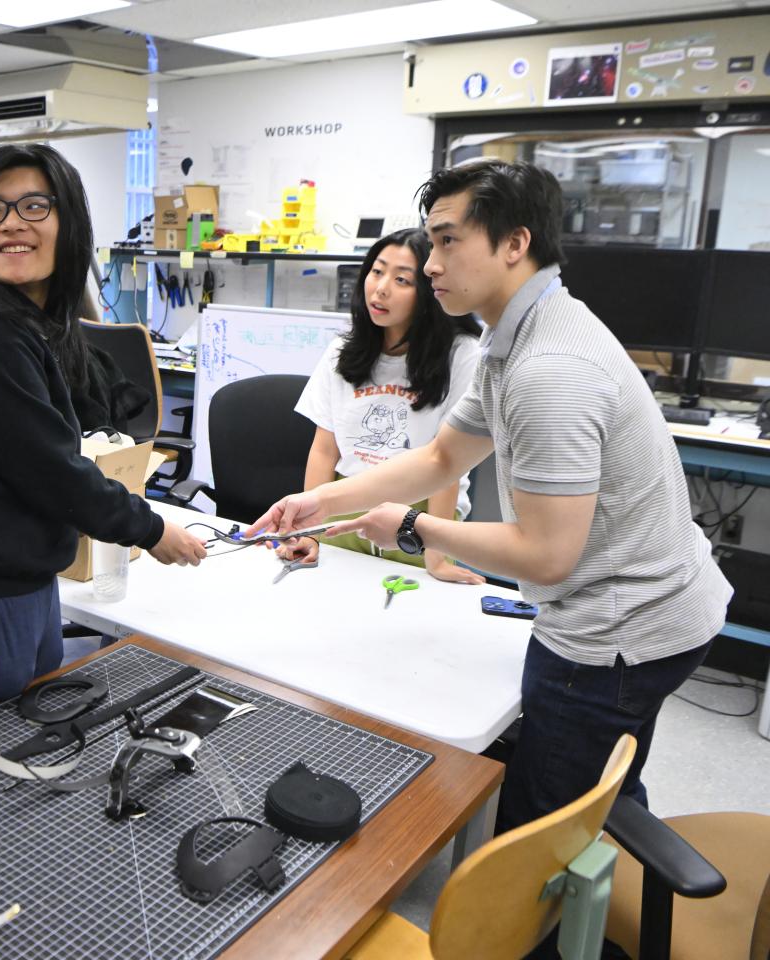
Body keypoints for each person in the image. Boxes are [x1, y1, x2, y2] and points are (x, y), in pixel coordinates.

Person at [254, 158, 731, 838]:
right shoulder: (516, 336)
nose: (433, 264)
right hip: (647, 602)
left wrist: (417, 532)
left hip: (620, 627)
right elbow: (445, 456)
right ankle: (614, 868)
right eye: (432, 240)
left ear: (516, 243)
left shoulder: (548, 368)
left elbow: (545, 555)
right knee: (601, 787)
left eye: (449, 241)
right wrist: (323, 504)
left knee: (545, 823)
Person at [0, 143, 207, 727]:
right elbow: (50, 470)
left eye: (34, 207)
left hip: (21, 590)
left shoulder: (29, 324)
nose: (11, 223)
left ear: (68, 224)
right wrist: (150, 528)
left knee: (22, 772)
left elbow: (80, 426)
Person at [284, 227, 484, 585]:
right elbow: (324, 450)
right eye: (377, 271)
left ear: (428, 291)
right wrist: (309, 533)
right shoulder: (342, 351)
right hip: (343, 508)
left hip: (420, 517)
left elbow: (447, 464)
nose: (381, 288)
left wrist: (437, 558)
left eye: (402, 280)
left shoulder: (461, 354)